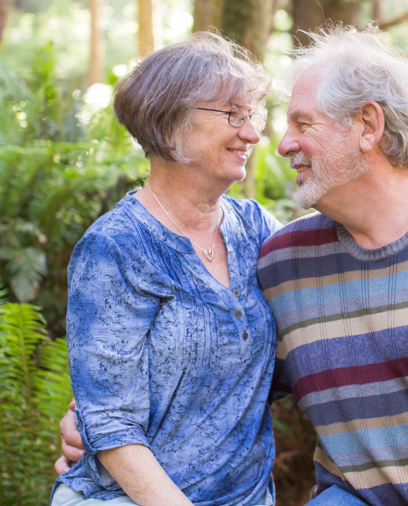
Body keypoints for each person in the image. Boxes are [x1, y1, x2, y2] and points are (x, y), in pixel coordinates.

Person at [60, 27, 408, 505]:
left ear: (367, 125)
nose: (275, 142)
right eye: (240, 116)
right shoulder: (288, 260)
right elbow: (218, 362)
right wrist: (96, 416)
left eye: (300, 123)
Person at [51, 33, 282, 506]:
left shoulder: (258, 230)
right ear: (171, 121)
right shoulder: (114, 248)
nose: (253, 134)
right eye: (233, 115)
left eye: (251, 115)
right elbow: (111, 421)